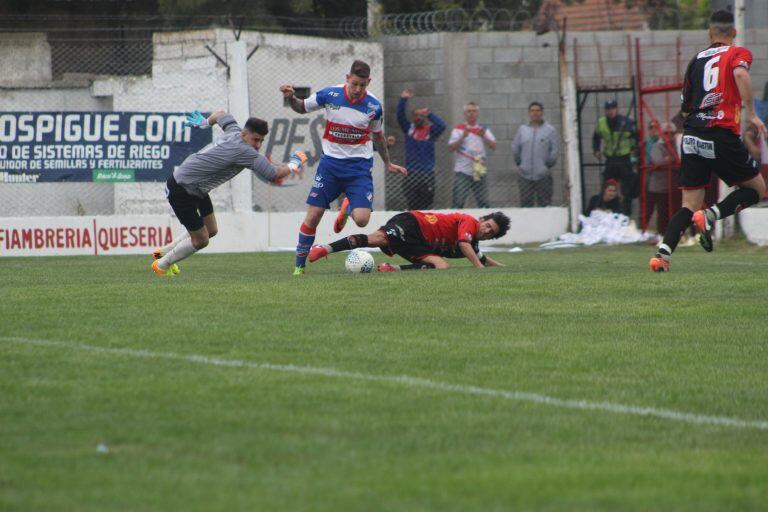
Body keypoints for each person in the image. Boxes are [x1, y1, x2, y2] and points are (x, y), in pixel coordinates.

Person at [649, 10, 766, 272]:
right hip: (720, 132)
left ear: (709, 33)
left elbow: (685, 108)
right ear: (733, 33)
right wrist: (752, 115)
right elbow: (740, 75)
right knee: (756, 189)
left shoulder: (695, 61)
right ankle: (710, 215)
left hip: (691, 135)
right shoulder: (738, 53)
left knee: (688, 205)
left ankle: (661, 256)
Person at [280, 60, 407, 275]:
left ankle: (348, 205)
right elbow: (301, 108)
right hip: (330, 166)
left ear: (369, 82)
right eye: (354, 83)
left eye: (363, 85)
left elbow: (378, 136)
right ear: (347, 78)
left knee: (361, 220)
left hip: (358, 169)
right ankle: (299, 267)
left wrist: (388, 163)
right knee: (314, 216)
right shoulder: (330, 95)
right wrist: (291, 97)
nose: (358, 90)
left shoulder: (374, 106)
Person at [151, 110, 305, 276]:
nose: (258, 145)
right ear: (245, 134)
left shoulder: (233, 130)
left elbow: (220, 114)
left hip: (197, 188)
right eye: (255, 139)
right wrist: (293, 164)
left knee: (211, 230)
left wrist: (205, 123)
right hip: (182, 189)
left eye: (261, 140)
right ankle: (161, 265)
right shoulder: (245, 151)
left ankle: (164, 252)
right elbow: (273, 175)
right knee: (201, 240)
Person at [307, 210, 510, 271]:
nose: (486, 230)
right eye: (488, 225)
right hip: (414, 223)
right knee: (376, 239)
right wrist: (480, 269)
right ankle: (324, 248)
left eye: (491, 233)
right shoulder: (470, 223)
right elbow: (467, 247)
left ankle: (392, 268)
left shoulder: (473, 242)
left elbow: (481, 257)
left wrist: (502, 267)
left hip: (420, 243)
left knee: (441, 265)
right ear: (482, 219)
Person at [397, 88, 446, 209]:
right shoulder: (409, 129)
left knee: (427, 203)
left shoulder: (431, 131)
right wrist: (403, 99)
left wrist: (429, 114)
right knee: (412, 203)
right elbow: (400, 115)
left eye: (421, 115)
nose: (418, 117)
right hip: (411, 172)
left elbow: (442, 125)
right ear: (413, 117)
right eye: (416, 115)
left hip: (427, 172)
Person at [592, 99, 638, 216]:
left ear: (616, 109)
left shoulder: (626, 122)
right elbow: (596, 137)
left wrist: (634, 151)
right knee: (607, 187)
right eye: (608, 109)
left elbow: (635, 137)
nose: (610, 111)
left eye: (612, 108)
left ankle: (626, 215)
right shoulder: (601, 122)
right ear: (605, 110)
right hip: (611, 159)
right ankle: (605, 212)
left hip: (624, 159)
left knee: (626, 190)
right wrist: (596, 149)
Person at [511, 101, 560, 207]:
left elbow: (554, 150)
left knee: (545, 205)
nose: (535, 113)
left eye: (537, 111)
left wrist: (546, 165)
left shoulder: (550, 130)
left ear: (542, 113)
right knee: (525, 206)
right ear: (529, 113)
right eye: (532, 111)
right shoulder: (522, 130)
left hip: (543, 176)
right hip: (525, 176)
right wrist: (520, 163)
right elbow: (515, 148)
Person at [448, 102, 496, 208]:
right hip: (462, 171)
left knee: (484, 203)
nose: (471, 114)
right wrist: (462, 137)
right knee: (458, 203)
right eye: (469, 111)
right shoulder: (459, 129)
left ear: (477, 113)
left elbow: (493, 146)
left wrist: (484, 136)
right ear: (465, 114)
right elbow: (450, 148)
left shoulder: (482, 129)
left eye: (474, 111)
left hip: (479, 171)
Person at [644, 121, 678, 234]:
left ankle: (673, 233)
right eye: (666, 133)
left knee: (673, 211)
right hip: (658, 186)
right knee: (660, 212)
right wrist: (670, 159)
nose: (669, 136)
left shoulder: (676, 145)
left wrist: (670, 159)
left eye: (671, 133)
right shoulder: (656, 146)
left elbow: (679, 160)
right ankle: (659, 233)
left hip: (672, 185)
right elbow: (658, 161)